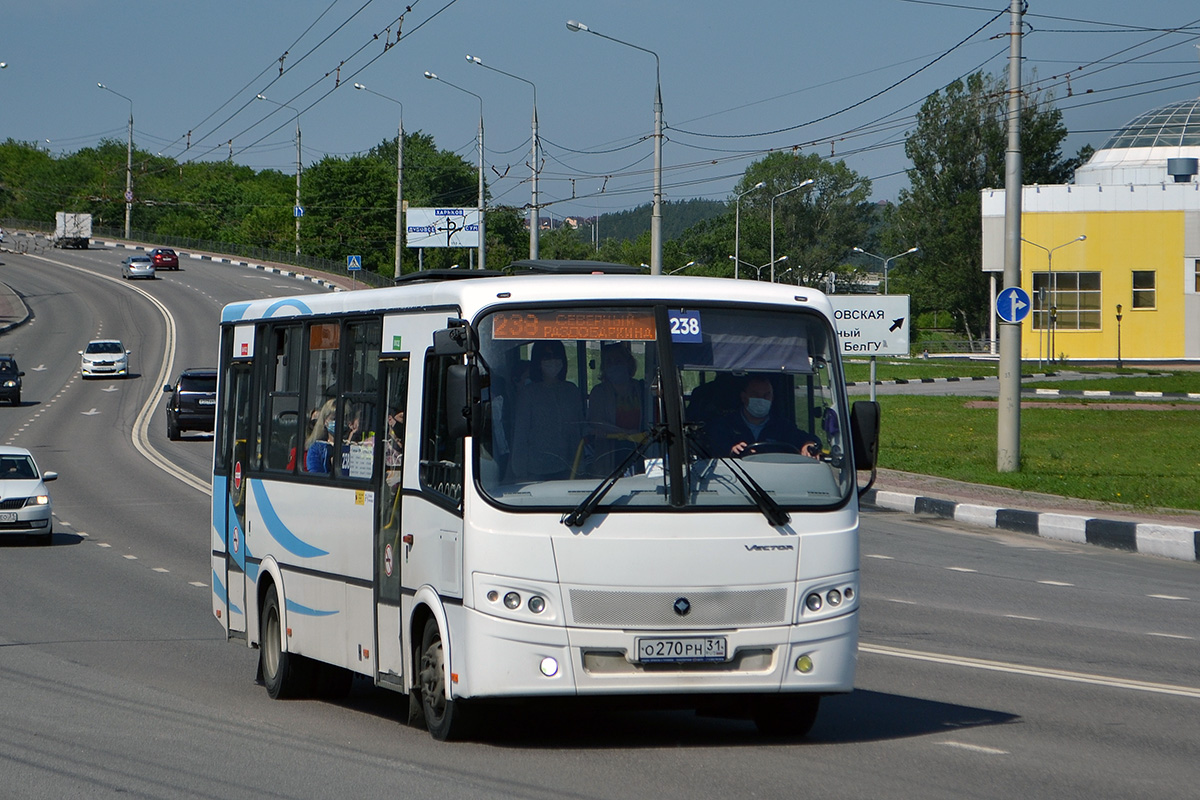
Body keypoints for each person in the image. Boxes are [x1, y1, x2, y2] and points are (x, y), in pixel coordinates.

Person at [508, 340, 584, 480]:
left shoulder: (571, 390)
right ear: (538, 361)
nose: (553, 361)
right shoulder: (529, 393)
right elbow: (521, 434)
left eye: (557, 356)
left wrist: (580, 466)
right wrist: (519, 472)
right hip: (536, 471)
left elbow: (578, 431)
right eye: (547, 357)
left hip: (568, 468)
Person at [706, 375, 820, 458]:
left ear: (772, 397)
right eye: (756, 395)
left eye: (766, 395)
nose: (762, 399)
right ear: (744, 397)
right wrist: (731, 451)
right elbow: (715, 447)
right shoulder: (725, 425)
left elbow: (807, 439)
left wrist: (808, 444)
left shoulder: (782, 426)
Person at [587, 343, 645, 476]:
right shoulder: (599, 391)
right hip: (610, 453)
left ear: (628, 363)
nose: (614, 365)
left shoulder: (641, 388)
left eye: (618, 361)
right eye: (609, 362)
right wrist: (625, 433)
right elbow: (596, 421)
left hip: (640, 448)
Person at [304, 399, 337, 474]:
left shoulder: (351, 445)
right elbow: (316, 477)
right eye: (334, 419)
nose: (338, 422)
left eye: (343, 418)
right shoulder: (317, 448)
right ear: (325, 421)